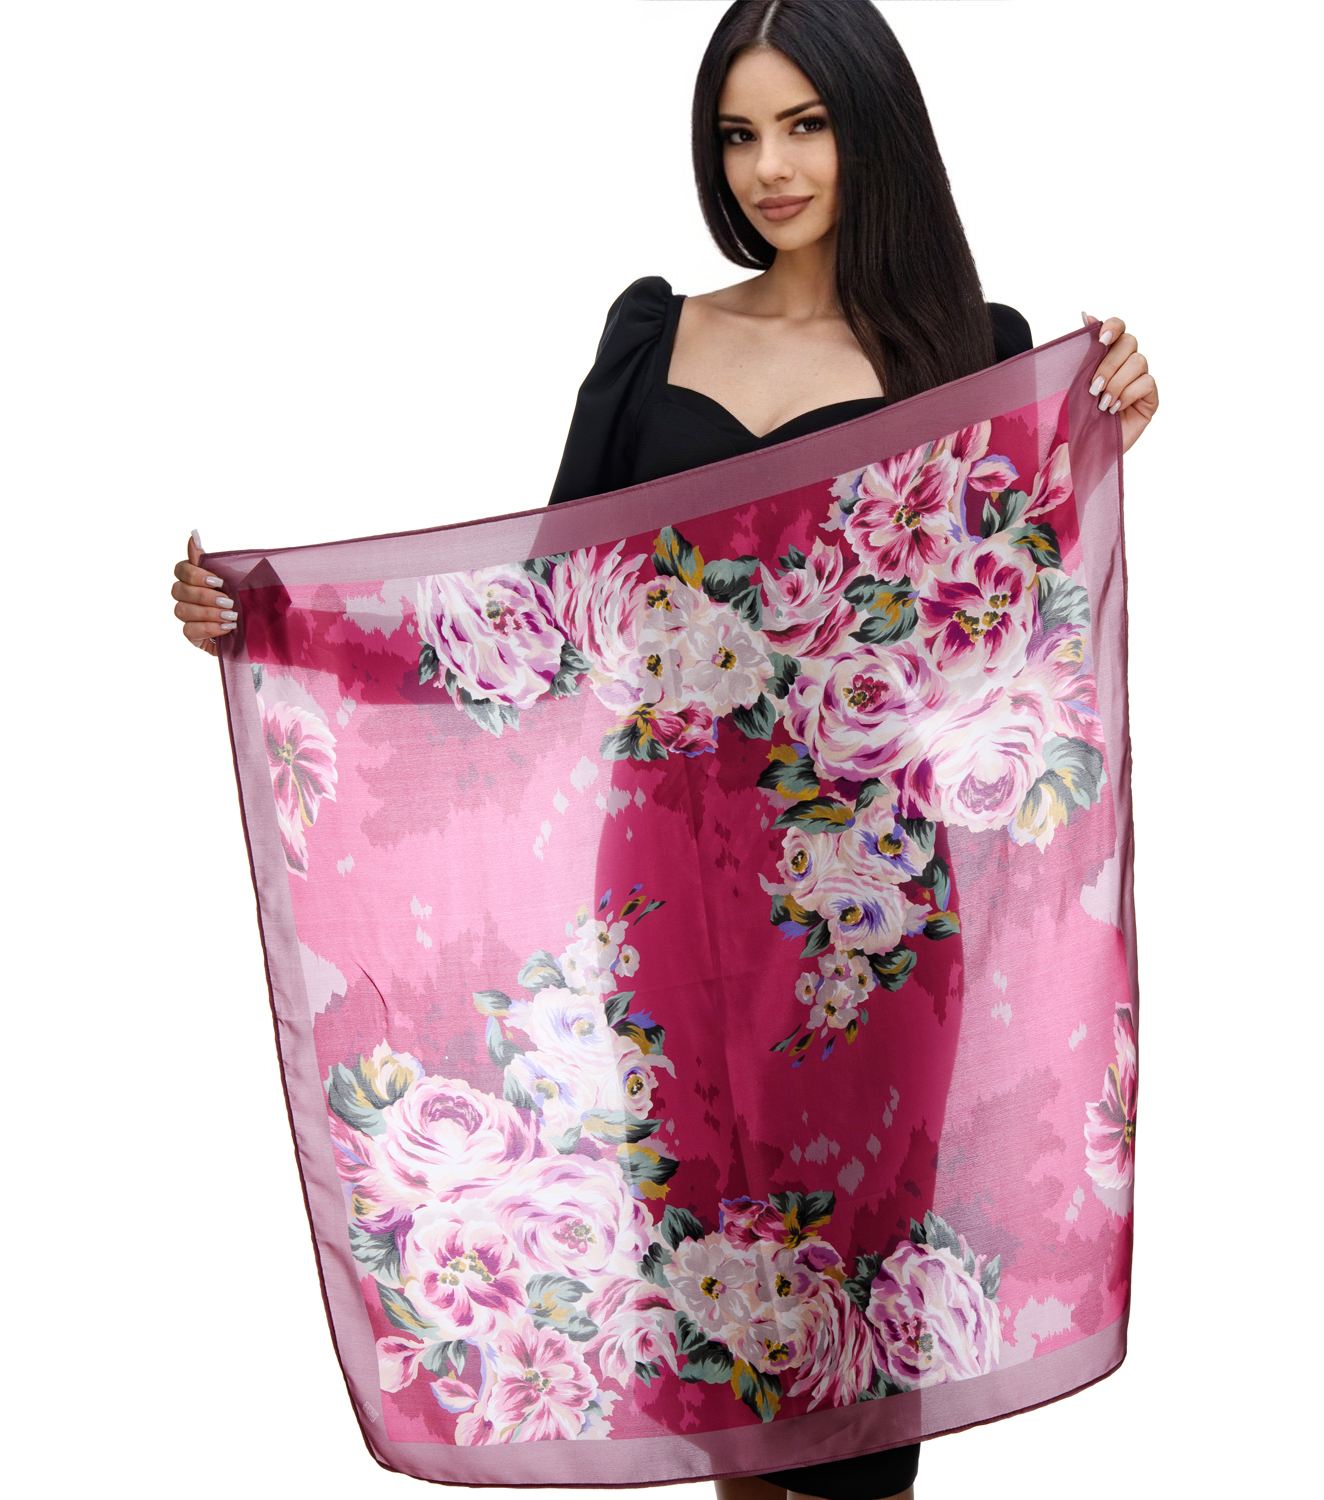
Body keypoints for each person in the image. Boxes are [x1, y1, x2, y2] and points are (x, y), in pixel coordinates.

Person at [168, 2, 1157, 1495]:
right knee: (715, 1338)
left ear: (874, 129)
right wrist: (281, 622)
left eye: (806, 126)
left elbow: (999, 646)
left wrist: (1095, 434)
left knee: (852, 1357)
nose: (771, 169)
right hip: (662, 901)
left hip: (865, 918)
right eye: (739, 134)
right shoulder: (656, 337)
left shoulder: (975, 357)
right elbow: (538, 622)